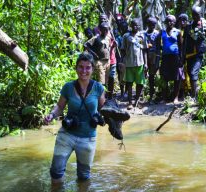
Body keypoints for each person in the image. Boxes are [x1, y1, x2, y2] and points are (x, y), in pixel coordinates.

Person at [44, 52, 106, 183]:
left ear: (92, 69)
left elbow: (105, 109)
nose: (84, 71)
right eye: (81, 67)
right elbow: (59, 107)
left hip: (88, 138)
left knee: (83, 176)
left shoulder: (98, 88)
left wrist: (111, 120)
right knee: (56, 171)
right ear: (76, 68)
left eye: (87, 67)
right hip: (67, 135)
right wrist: (51, 115)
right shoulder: (68, 87)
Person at [156, 15, 183, 104]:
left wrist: (181, 58)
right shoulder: (162, 32)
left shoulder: (178, 32)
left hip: (175, 57)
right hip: (165, 57)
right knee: (164, 77)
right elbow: (157, 44)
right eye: (167, 21)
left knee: (177, 78)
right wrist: (158, 54)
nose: (169, 23)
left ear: (174, 22)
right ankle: (164, 97)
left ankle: (176, 98)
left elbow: (181, 45)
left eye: (171, 21)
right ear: (165, 22)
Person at [121, 18, 147, 109]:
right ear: (130, 26)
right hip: (129, 63)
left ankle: (136, 101)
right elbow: (123, 50)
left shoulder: (142, 36)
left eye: (137, 25)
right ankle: (130, 102)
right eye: (133, 25)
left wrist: (146, 63)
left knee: (140, 83)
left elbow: (144, 50)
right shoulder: (126, 36)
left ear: (139, 26)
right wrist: (121, 61)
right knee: (129, 83)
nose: (135, 27)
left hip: (140, 63)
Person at [144, 16, 160, 104]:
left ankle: (151, 96)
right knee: (143, 76)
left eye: (154, 25)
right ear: (147, 25)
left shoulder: (157, 34)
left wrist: (157, 60)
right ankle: (141, 95)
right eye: (150, 25)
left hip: (154, 57)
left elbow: (158, 48)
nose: (152, 26)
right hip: (145, 57)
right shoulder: (144, 34)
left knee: (152, 77)